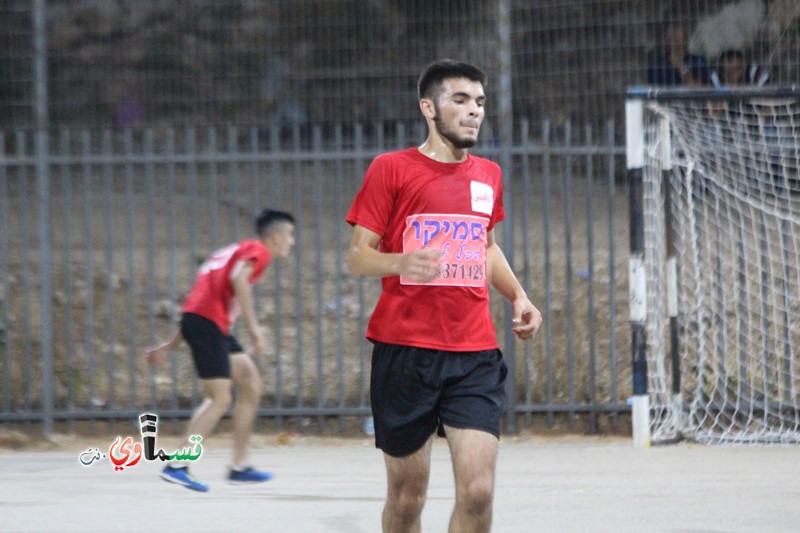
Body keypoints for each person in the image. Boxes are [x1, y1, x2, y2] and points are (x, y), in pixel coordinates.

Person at [345, 60, 542, 533]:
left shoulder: (488, 175)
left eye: (479, 102)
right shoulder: (391, 169)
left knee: (478, 492)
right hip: (405, 353)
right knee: (408, 498)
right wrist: (398, 262)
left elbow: (486, 246)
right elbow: (357, 257)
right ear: (428, 107)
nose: (474, 111)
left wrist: (519, 296)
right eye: (461, 100)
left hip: (473, 354)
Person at [144, 208, 296, 492]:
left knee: (250, 383)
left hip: (208, 323)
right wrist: (254, 327)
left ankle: (238, 467)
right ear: (275, 237)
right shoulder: (258, 252)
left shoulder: (237, 250)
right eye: (290, 235)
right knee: (220, 398)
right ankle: (177, 465)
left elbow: (197, 303)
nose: (292, 241)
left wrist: (170, 345)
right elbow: (239, 279)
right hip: (208, 324)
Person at [647, 21, 709, 87]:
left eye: (683, 40)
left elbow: (701, 90)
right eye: (675, 40)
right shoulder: (657, 65)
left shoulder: (698, 61)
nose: (679, 45)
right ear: (667, 42)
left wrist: (680, 66)